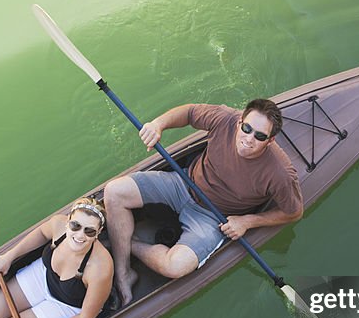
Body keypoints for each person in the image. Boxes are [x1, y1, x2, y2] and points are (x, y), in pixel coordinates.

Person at [104, 99, 303, 305]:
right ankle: (123, 272)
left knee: (176, 266)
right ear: (239, 122)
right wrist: (158, 124)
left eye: (260, 136)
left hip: (212, 217)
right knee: (114, 191)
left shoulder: (280, 174)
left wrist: (247, 222)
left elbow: (294, 212)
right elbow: (189, 112)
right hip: (184, 183)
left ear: (270, 141)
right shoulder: (225, 118)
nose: (249, 138)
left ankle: (127, 243)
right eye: (246, 128)